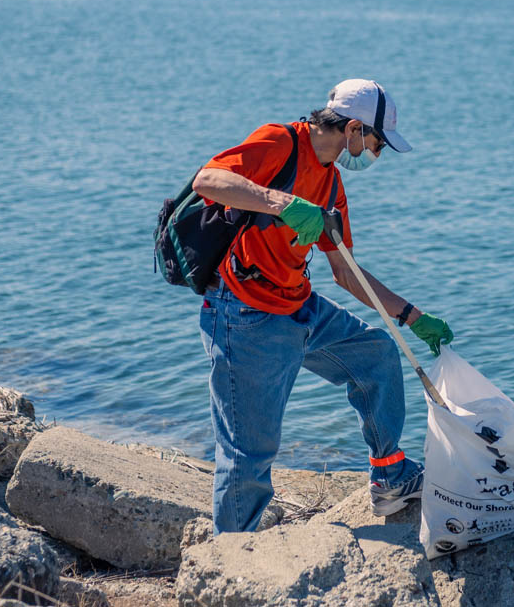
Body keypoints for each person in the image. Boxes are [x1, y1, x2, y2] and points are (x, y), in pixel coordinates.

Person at [191, 79, 454, 534]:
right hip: (246, 315)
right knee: (248, 455)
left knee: (377, 356)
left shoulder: (332, 183)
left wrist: (412, 316)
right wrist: (282, 202)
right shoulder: (280, 142)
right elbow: (208, 180)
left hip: (299, 307)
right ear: (353, 129)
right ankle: (230, 566)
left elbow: (346, 272)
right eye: (376, 143)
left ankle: (389, 476)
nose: (376, 154)